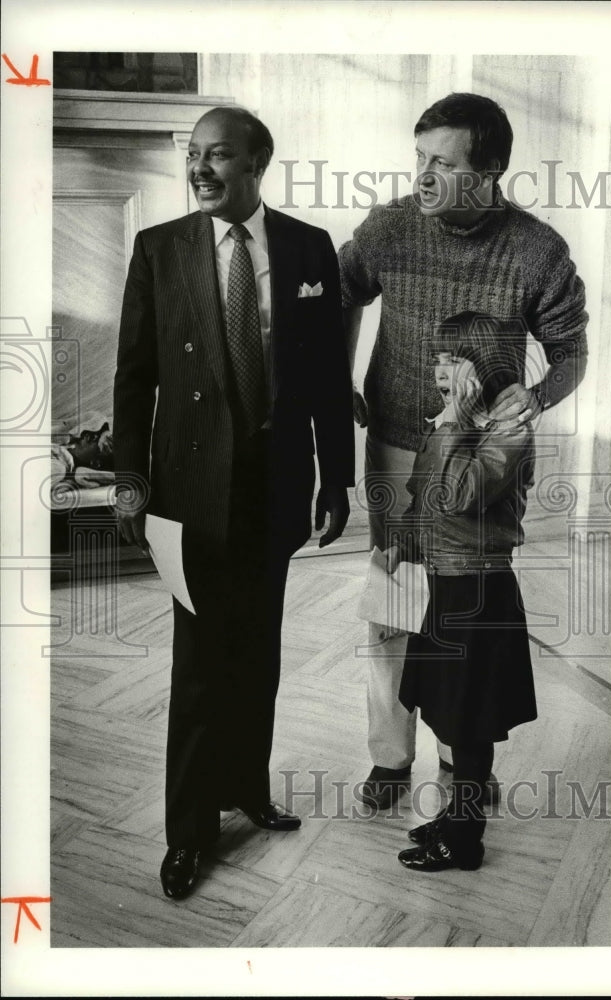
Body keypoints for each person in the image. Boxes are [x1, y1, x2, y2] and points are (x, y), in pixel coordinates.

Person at [113, 106, 355, 900]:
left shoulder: (308, 248)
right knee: (199, 667)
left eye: (218, 155)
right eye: (193, 154)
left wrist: (337, 480)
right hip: (188, 495)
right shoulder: (158, 250)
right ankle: (188, 833)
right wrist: (129, 480)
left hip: (277, 488)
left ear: (258, 162)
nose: (201, 168)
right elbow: (134, 377)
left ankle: (246, 790)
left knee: (259, 652)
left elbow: (324, 377)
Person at [339, 92, 588, 810]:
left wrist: (536, 398)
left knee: (460, 611)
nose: (420, 175)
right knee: (392, 600)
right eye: (418, 157)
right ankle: (390, 759)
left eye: (442, 163)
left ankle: (462, 759)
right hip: (394, 442)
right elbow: (339, 293)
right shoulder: (389, 228)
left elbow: (571, 352)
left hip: (481, 466)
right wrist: (339, 375)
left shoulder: (538, 250)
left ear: (489, 170)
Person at [386, 313, 538, 872]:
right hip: (447, 583)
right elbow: (423, 492)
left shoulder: (510, 427)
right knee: (450, 713)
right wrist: (401, 541)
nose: (440, 370)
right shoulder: (460, 420)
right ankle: (455, 818)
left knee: (469, 724)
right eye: (437, 358)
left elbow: (460, 495)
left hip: (480, 590)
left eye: (453, 359)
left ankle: (465, 839)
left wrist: (450, 424)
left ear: (486, 364)